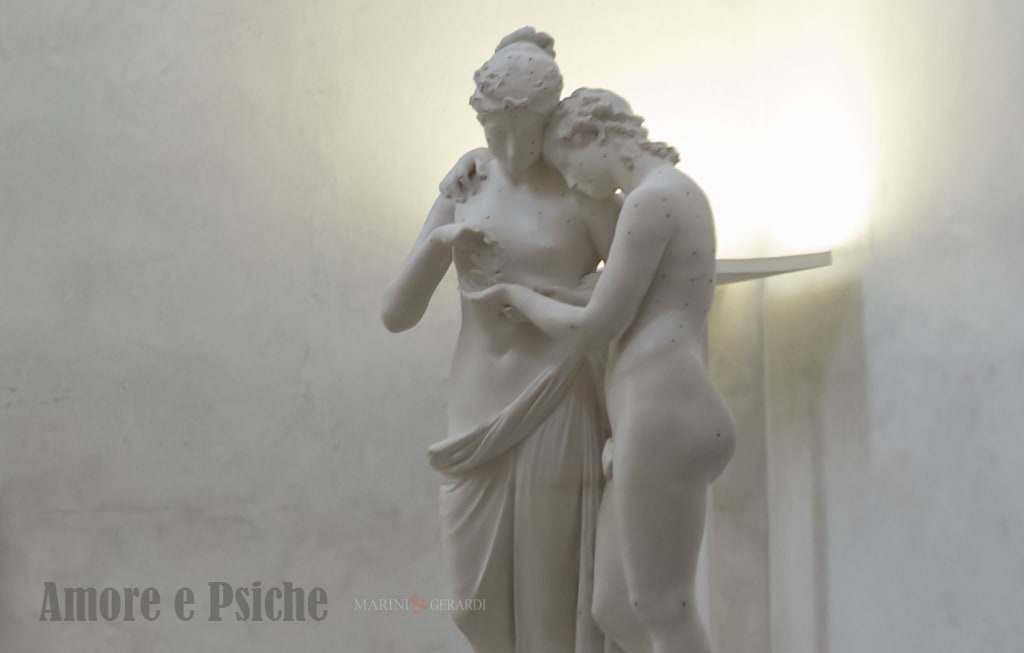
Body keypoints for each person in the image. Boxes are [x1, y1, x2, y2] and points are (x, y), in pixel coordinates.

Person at [466, 88, 736, 653]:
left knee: (663, 607)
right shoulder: (666, 195)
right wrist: (553, 294)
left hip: (664, 410)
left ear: (592, 135)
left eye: (569, 168)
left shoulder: (652, 200)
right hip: (649, 413)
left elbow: (595, 326)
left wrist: (517, 295)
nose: (575, 185)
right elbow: (627, 300)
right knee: (613, 607)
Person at [381, 30, 619, 653]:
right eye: (497, 131)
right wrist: (441, 242)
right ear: (480, 118)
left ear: (552, 120)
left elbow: (634, 290)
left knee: (548, 602)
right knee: (472, 607)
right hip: (475, 407)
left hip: (556, 400)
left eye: (528, 134)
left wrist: (559, 298)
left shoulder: (582, 192)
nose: (511, 149)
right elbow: (396, 314)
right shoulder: (466, 187)